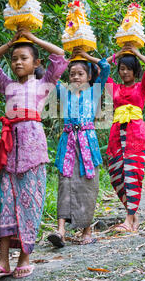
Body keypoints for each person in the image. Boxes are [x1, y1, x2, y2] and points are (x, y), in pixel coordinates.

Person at [0, 28, 69, 278]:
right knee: (5, 204)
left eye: (24, 58)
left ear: (36, 63)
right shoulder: (7, 85)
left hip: (33, 152)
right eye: (14, 59)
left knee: (30, 204)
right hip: (9, 151)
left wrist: (33, 39)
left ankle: (24, 259)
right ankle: (3, 261)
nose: (18, 62)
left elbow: (60, 55)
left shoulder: (44, 84)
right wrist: (10, 43)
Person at [47, 47, 110, 247]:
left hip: (87, 144)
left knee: (87, 185)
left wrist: (84, 57)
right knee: (65, 182)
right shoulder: (64, 92)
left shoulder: (95, 91)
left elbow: (105, 66)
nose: (75, 77)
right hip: (68, 144)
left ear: (88, 76)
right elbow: (52, 77)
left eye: (80, 73)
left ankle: (87, 230)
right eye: (72, 74)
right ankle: (61, 231)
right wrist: (68, 60)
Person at [105, 43, 145, 232]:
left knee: (132, 175)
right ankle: (134, 216)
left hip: (135, 135)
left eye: (128, 69)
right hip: (117, 135)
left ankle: (128, 220)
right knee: (117, 176)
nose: (125, 72)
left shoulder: (142, 87)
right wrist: (119, 54)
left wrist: (135, 52)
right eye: (122, 69)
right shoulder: (114, 88)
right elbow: (100, 68)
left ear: (135, 71)